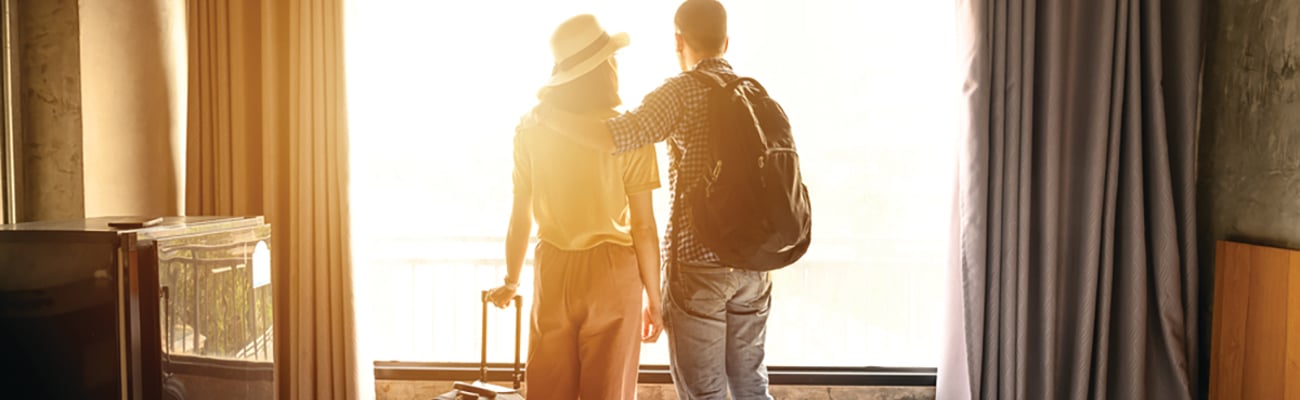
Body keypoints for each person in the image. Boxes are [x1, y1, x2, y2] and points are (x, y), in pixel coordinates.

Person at [528, 1, 775, 399]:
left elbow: (617, 137)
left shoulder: (680, 92)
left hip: (700, 265)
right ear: (726, 42)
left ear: (678, 41)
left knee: (705, 392)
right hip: (756, 268)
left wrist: (549, 117)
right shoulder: (754, 93)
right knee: (750, 384)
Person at [485, 13, 665, 400]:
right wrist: (655, 296)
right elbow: (644, 228)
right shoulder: (629, 134)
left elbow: (521, 214)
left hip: (553, 269)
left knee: (548, 391)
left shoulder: (530, 128)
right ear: (606, 67)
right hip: (613, 275)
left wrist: (511, 280)